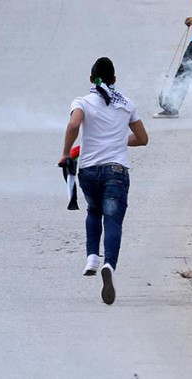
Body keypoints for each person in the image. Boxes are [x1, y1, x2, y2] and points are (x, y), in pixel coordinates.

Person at [59, 57, 148, 306]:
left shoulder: (83, 102)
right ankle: (109, 263)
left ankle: (91, 258)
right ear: (115, 80)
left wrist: (66, 152)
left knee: (93, 211)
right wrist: (118, 140)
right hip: (116, 171)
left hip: (88, 171)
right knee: (113, 221)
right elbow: (142, 139)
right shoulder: (126, 104)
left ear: (91, 79)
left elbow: (74, 123)